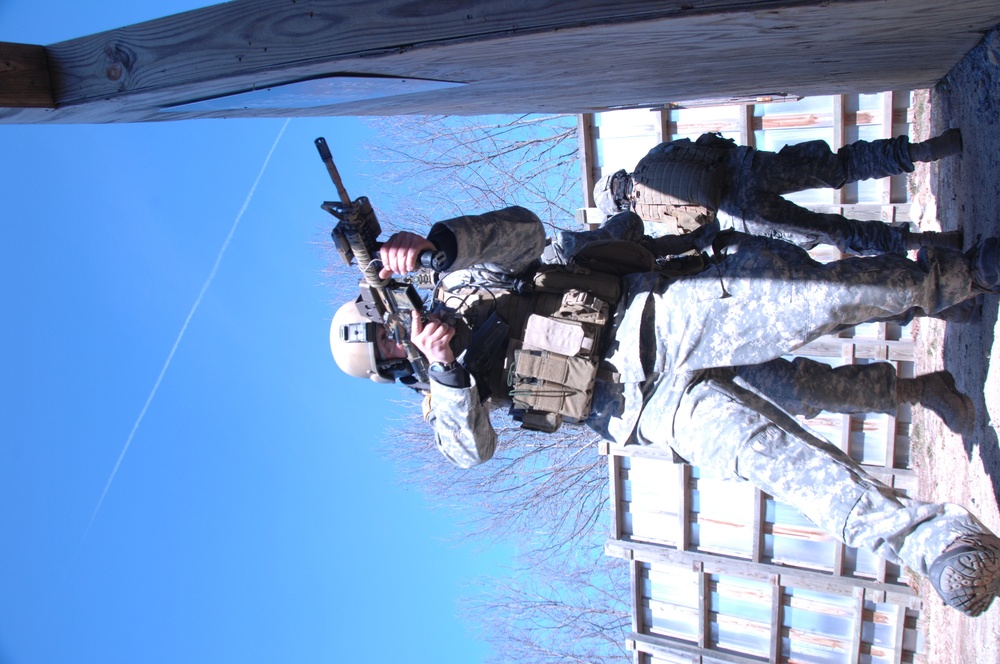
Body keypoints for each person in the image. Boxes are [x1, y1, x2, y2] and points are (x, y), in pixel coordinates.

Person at [330, 205, 1000, 617]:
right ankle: (937, 544)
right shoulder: (441, 396)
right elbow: (469, 450)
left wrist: (437, 248)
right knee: (778, 462)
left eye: (386, 317)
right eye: (387, 341)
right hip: (643, 406)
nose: (398, 329)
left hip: (653, 317)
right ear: (391, 366)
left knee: (814, 298)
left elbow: (528, 234)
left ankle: (959, 276)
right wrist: (446, 371)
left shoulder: (452, 275)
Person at [594, 129, 965, 256]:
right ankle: (924, 149)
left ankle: (930, 241)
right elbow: (708, 143)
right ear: (620, 177)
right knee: (838, 166)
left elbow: (699, 229)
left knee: (833, 231)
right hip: (747, 167)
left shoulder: (648, 215)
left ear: (618, 205)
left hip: (743, 212)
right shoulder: (652, 158)